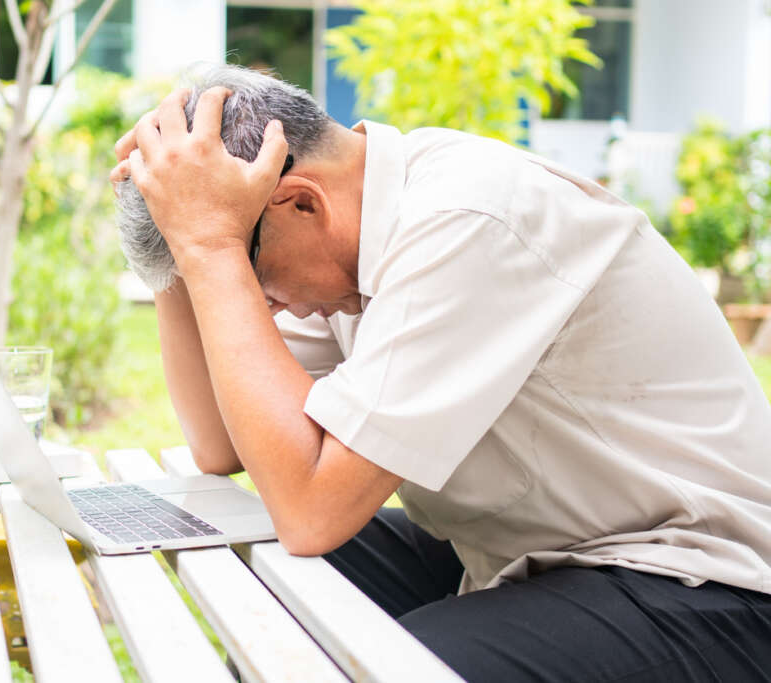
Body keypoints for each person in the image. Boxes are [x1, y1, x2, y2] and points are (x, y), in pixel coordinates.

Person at [110, 64, 771, 681]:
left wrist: (211, 242)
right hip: (527, 555)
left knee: (382, 665)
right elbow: (220, 445)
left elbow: (313, 506)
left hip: (701, 585)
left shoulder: (465, 218)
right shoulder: (347, 241)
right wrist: (174, 233)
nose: (268, 307)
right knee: (253, 555)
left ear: (300, 203)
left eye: (257, 282)